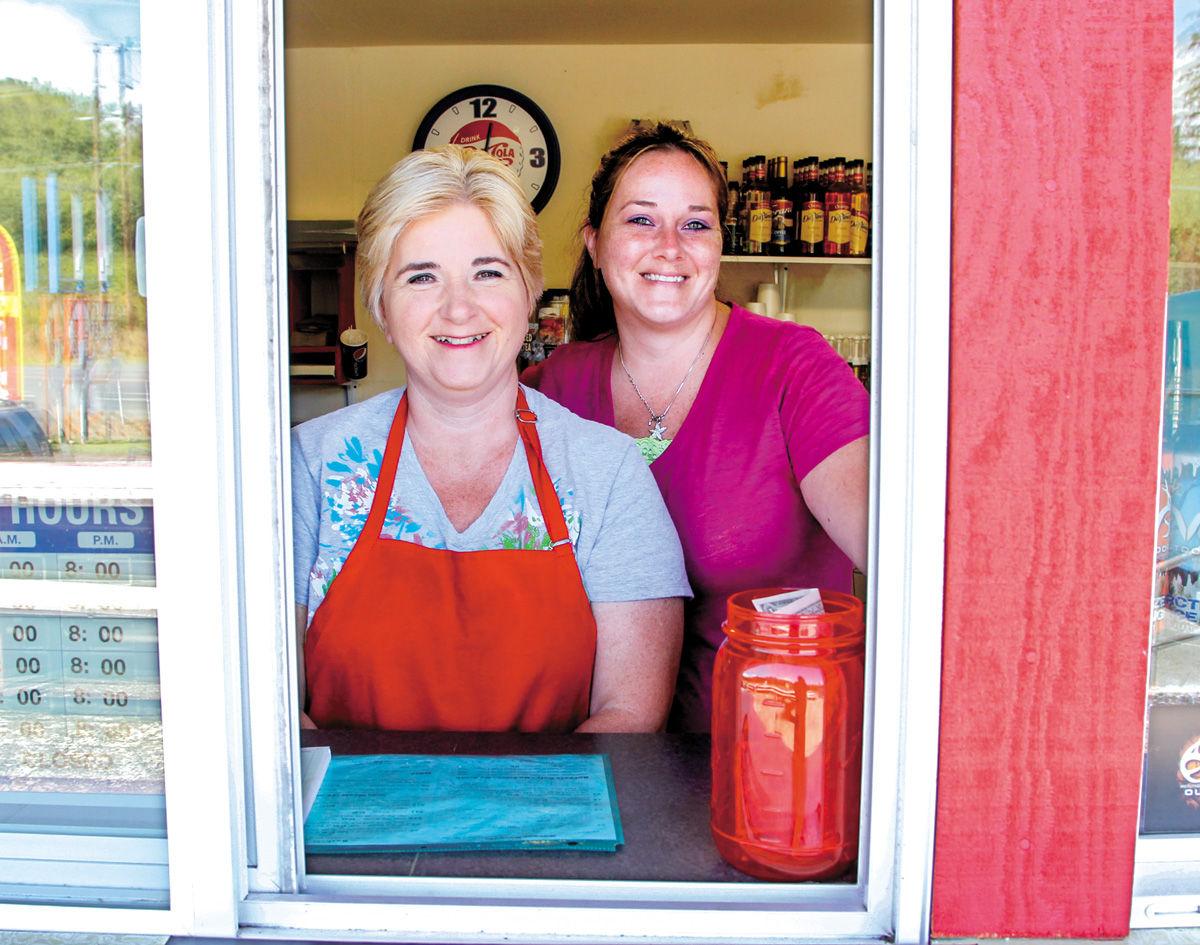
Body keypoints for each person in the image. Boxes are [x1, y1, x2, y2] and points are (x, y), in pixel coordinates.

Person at [291, 145, 690, 733]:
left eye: (488, 272)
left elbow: (628, 714)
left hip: (552, 822)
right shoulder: (313, 464)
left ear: (529, 294)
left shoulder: (607, 473)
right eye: (421, 276)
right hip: (351, 822)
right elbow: (266, 706)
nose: (458, 308)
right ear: (380, 303)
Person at [523, 122, 869, 732]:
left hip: (780, 767)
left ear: (718, 244)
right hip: (598, 764)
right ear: (594, 243)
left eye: (696, 223)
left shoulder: (794, 367)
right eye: (640, 220)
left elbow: (899, 551)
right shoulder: (554, 387)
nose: (670, 247)